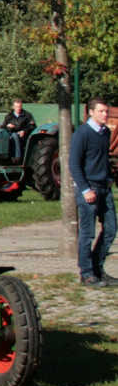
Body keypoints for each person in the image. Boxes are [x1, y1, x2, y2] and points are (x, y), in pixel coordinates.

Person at [69, 101, 116, 288]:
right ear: (91, 112)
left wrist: (109, 179)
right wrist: (85, 189)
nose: (105, 114)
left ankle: (98, 269)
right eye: (101, 111)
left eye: (107, 111)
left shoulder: (106, 133)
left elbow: (104, 159)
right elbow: (74, 163)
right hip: (88, 189)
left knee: (111, 229)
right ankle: (86, 273)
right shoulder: (82, 133)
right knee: (87, 233)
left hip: (104, 188)